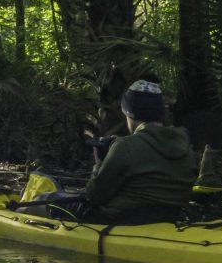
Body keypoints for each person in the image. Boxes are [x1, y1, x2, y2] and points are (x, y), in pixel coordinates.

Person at [82, 79, 196, 222]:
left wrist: (98, 164)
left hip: (123, 222)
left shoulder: (125, 146)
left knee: (57, 206)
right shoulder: (185, 144)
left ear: (131, 114)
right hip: (171, 219)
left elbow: (94, 195)